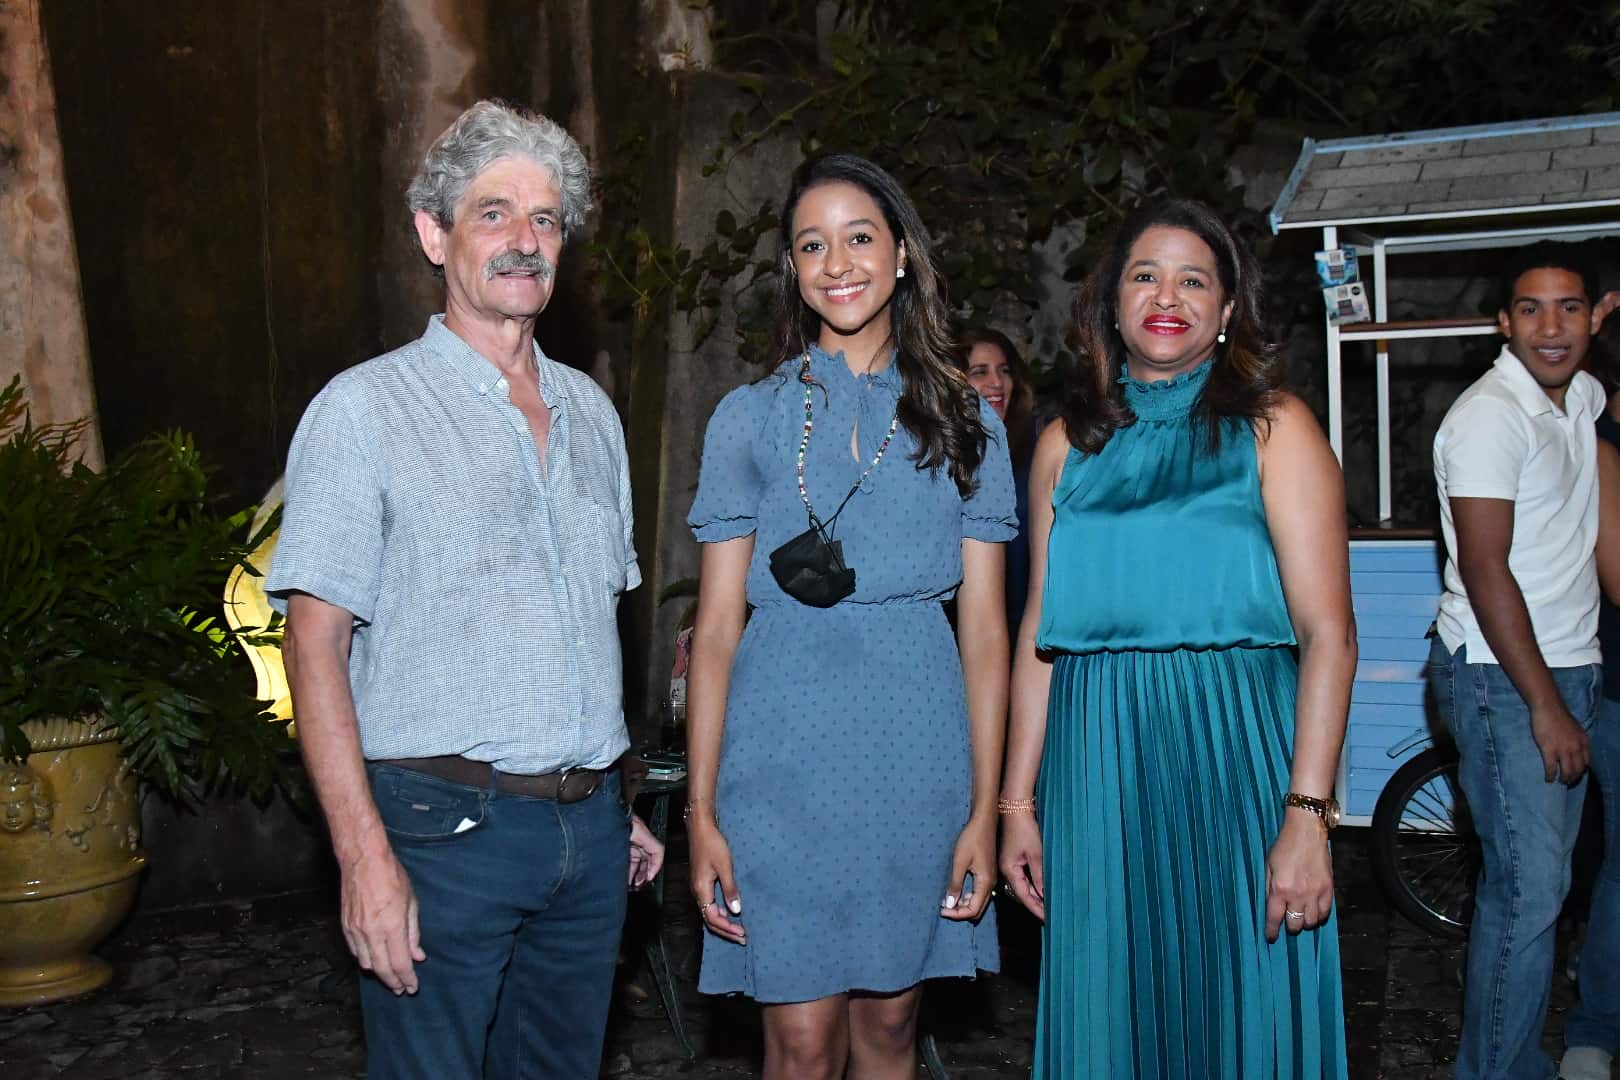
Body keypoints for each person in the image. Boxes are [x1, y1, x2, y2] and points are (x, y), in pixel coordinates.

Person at [266, 100, 664, 1079]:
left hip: (585, 835)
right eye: (494, 214)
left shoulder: (593, 413)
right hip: (440, 833)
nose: (525, 242)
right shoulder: (363, 409)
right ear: (433, 235)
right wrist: (362, 860)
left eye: (546, 220)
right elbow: (312, 645)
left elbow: (587, 622)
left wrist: (612, 794)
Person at [998, 198, 1354, 1079]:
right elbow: (1040, 638)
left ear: (1228, 310)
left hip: (1238, 752)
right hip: (1101, 762)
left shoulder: (1276, 428)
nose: (1168, 295)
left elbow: (1329, 634)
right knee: (1114, 1011)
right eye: (1145, 275)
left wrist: (1307, 818)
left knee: (1245, 1005)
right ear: (1111, 305)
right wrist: (1016, 804)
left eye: (1195, 279)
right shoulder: (1061, 446)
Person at [684, 153, 1015, 1079]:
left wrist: (983, 812)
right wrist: (701, 814)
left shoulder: (967, 421)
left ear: (903, 253)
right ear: (792, 268)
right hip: (777, 757)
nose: (837, 262)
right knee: (796, 1043)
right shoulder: (747, 420)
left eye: (860, 237)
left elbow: (987, 633)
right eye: (811, 244)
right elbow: (714, 633)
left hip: (918, 756)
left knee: (890, 1030)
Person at [1428, 241, 1607, 1080]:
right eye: (1530, 308)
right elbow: (1485, 567)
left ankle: (1514, 1061)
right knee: (1528, 896)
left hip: (1571, 664)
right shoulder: (1487, 418)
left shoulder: (1581, 400)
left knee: (1545, 890)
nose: (1550, 325)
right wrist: (1545, 704)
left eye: (1569, 306)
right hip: (1505, 679)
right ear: (1503, 322)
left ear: (1594, 316)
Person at [958, 327, 1037, 631]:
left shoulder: (1037, 446)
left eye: (1004, 371)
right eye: (980, 372)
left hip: (1030, 628)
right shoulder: (933, 455)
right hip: (963, 627)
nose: (996, 383)